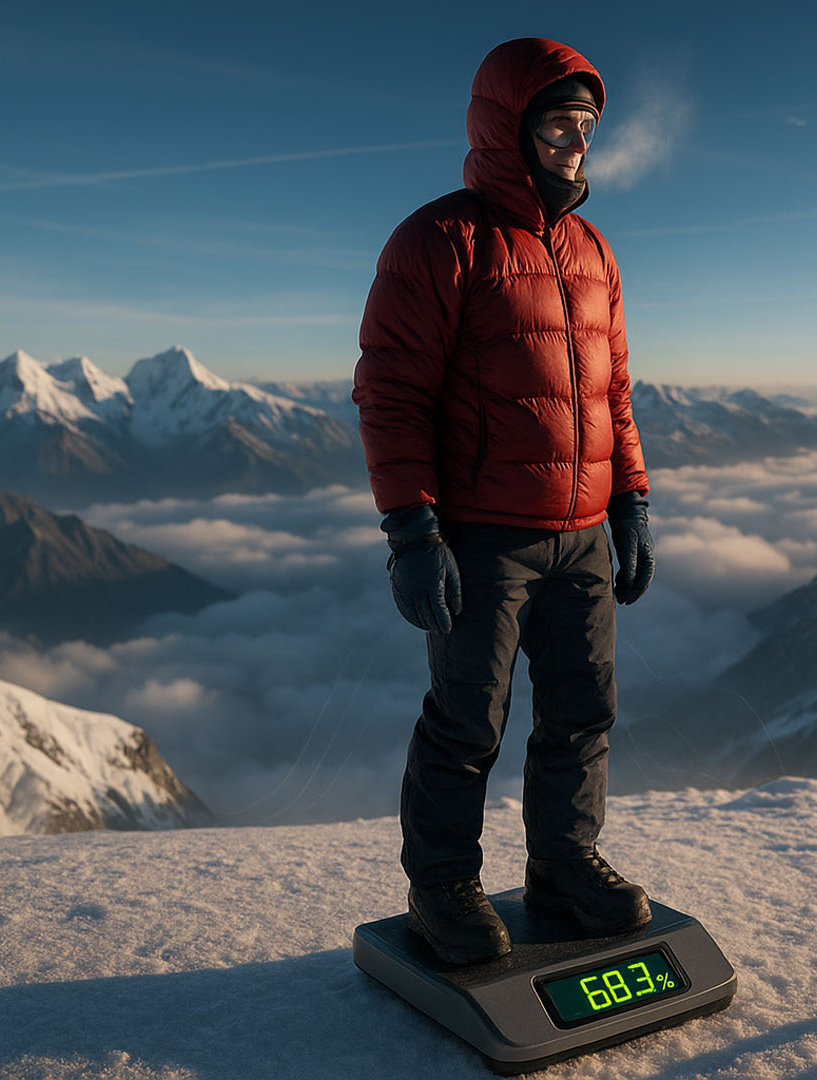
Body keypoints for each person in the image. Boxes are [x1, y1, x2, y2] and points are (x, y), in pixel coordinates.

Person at [352, 36, 656, 965]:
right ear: (507, 126)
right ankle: (441, 886)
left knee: (583, 711)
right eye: (559, 122)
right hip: (483, 535)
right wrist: (410, 528)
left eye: (587, 126)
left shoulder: (593, 249)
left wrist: (631, 497)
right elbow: (390, 392)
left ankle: (565, 865)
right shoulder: (439, 240)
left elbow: (613, 393)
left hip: (581, 538)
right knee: (467, 721)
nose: (577, 141)